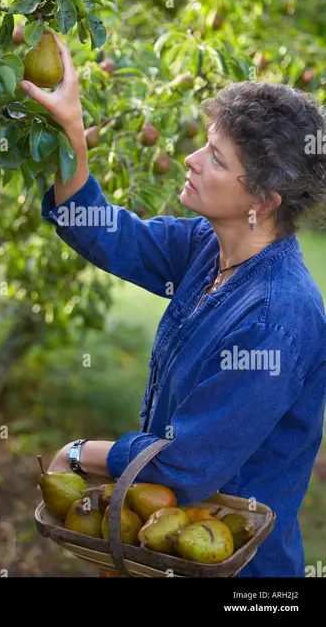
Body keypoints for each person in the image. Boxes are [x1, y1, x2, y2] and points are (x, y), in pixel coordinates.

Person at [19, 34, 326, 577]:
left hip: (236, 567)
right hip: (165, 543)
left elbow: (186, 463)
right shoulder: (207, 249)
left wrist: (80, 452)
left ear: (262, 200)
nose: (189, 159)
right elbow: (97, 229)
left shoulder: (275, 317)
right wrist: (70, 130)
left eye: (214, 156)